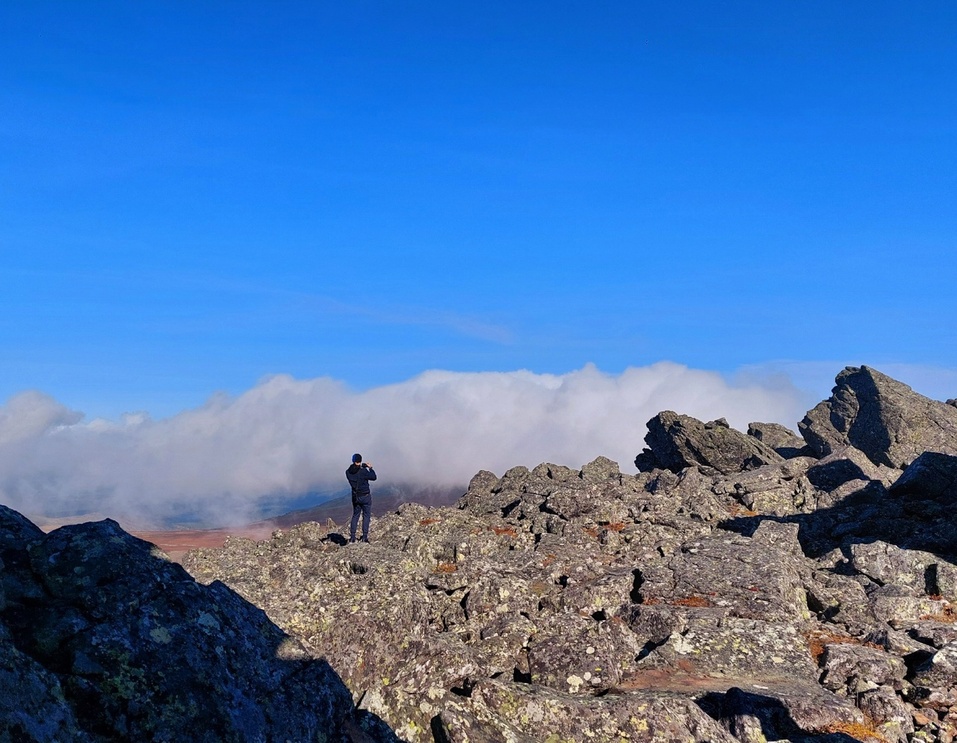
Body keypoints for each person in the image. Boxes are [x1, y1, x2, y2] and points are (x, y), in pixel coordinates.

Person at [346, 453, 376, 543]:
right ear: (360, 460)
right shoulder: (363, 471)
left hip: (355, 497)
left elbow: (354, 471)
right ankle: (364, 537)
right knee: (366, 516)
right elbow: (374, 477)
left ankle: (352, 537)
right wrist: (370, 468)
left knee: (355, 515)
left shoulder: (347, 472)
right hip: (365, 496)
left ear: (353, 460)